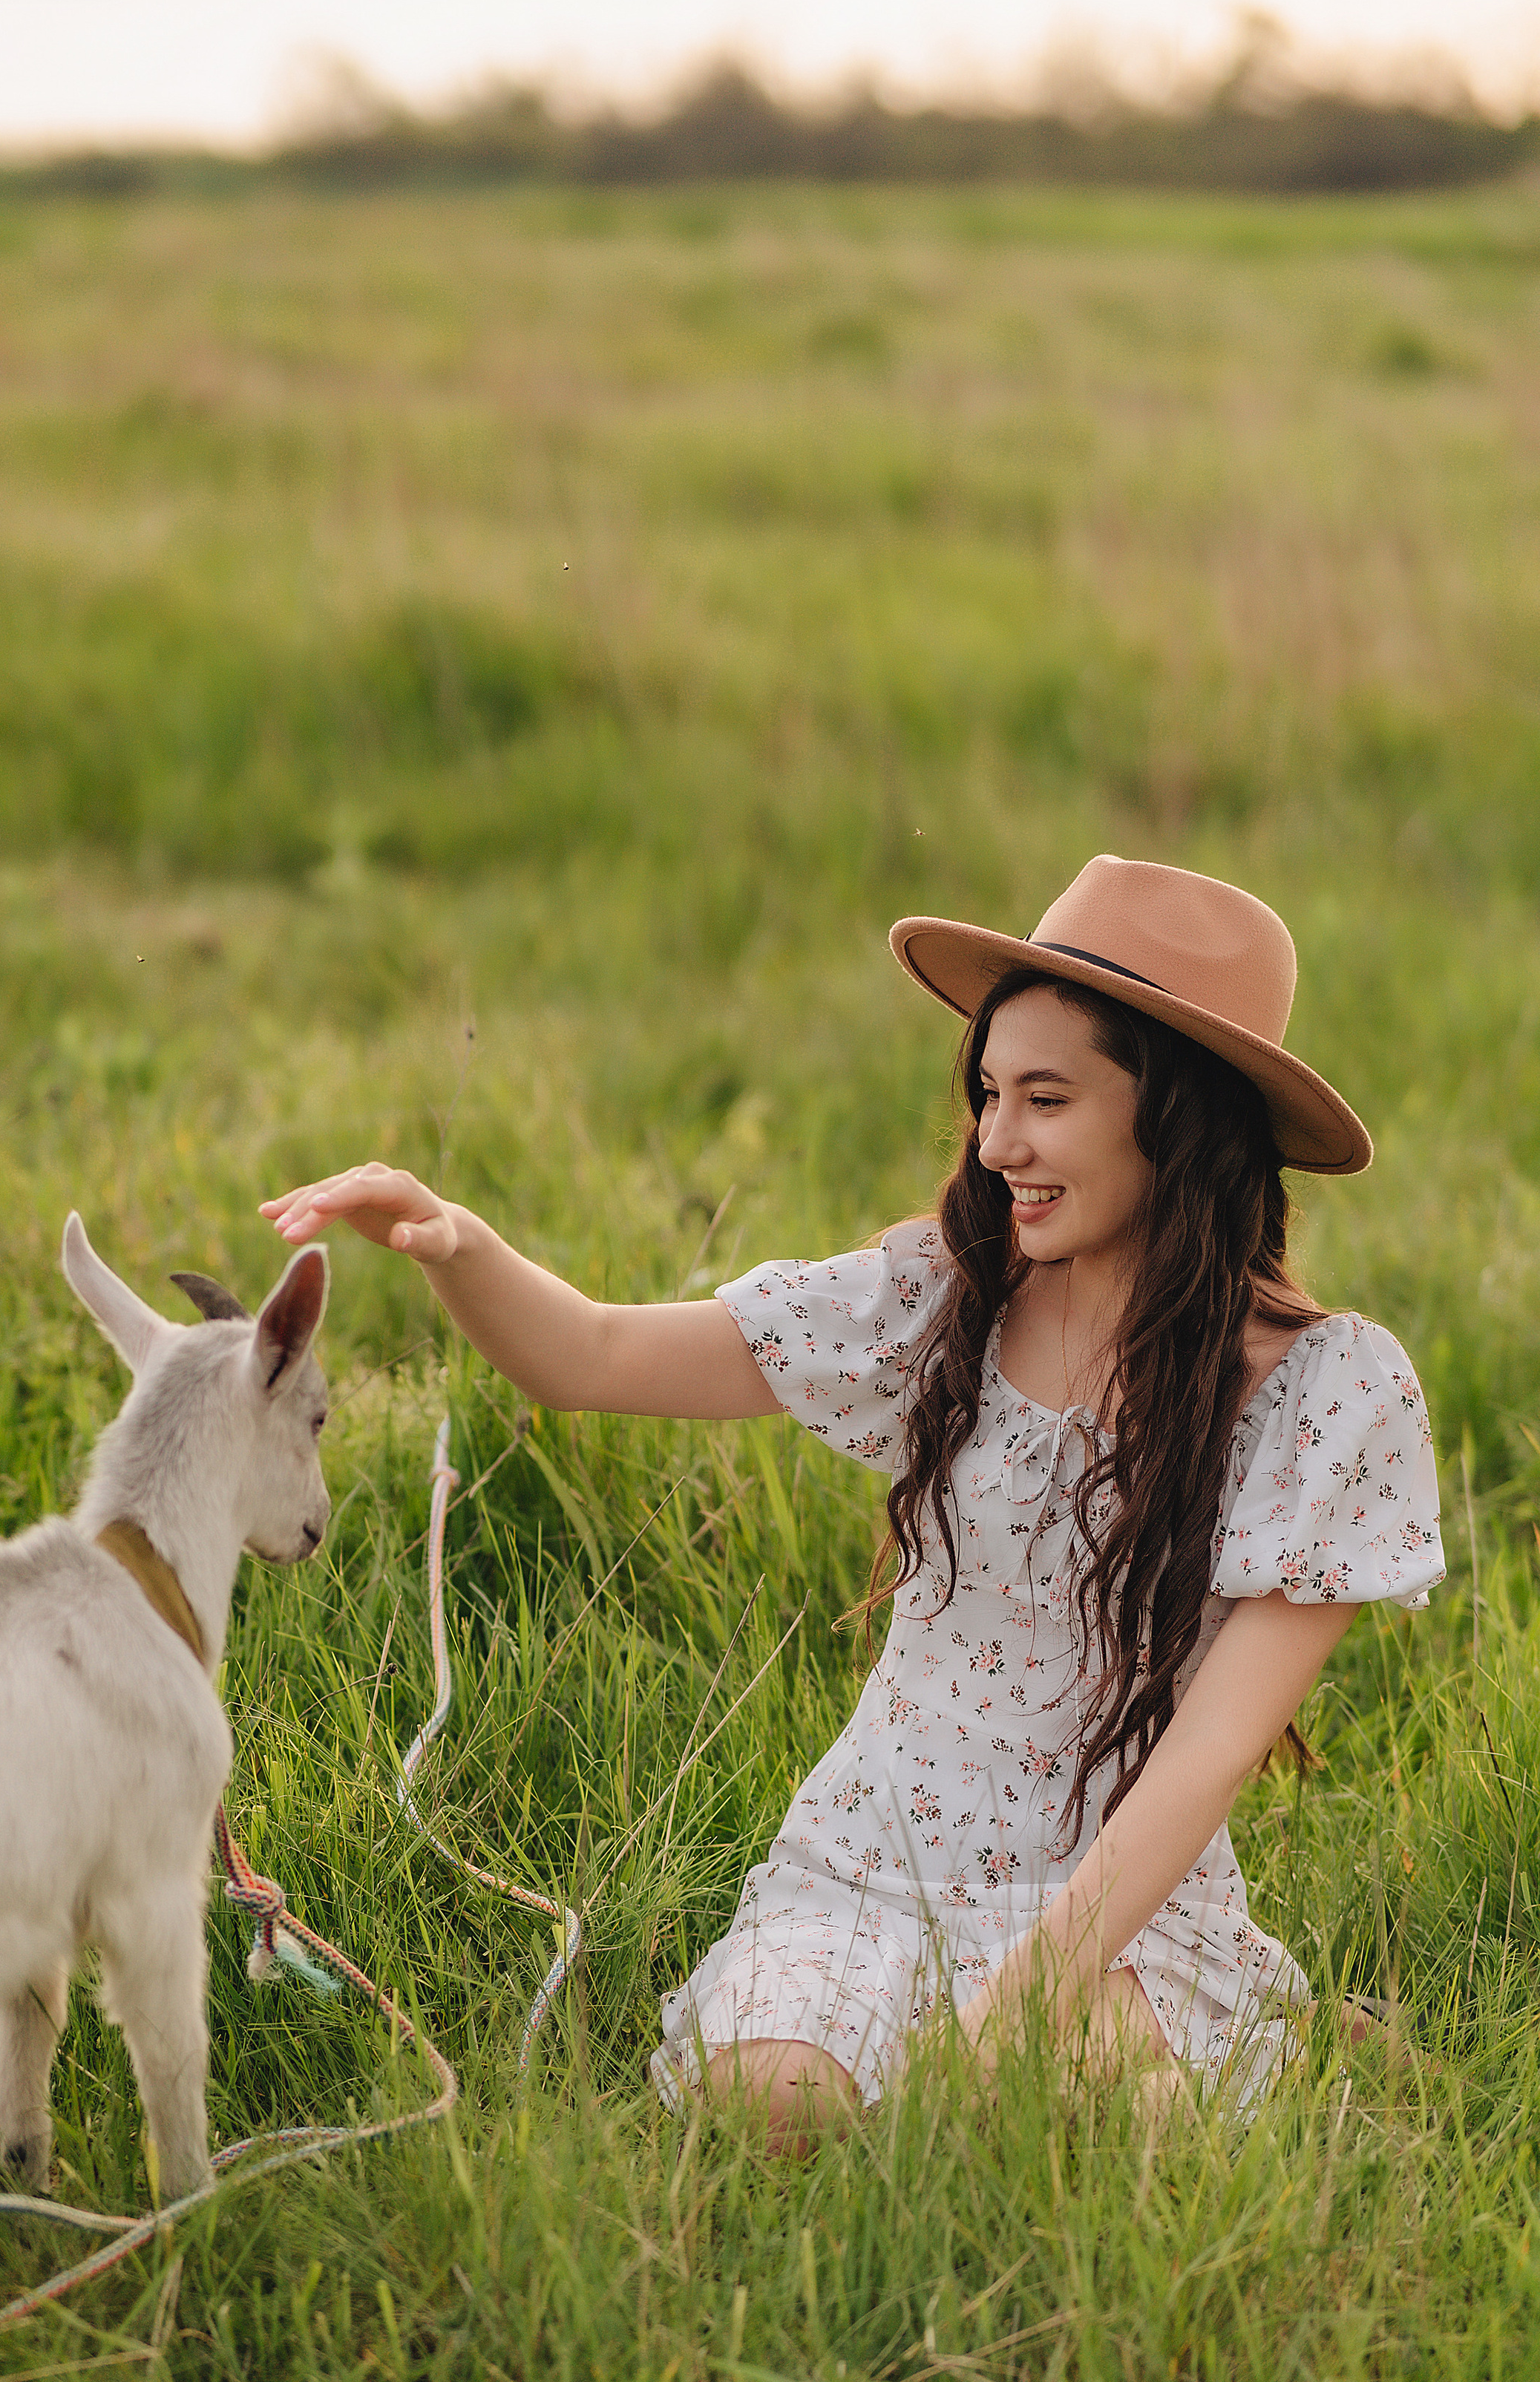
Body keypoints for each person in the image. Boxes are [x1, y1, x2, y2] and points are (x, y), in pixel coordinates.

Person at [264, 857, 1444, 2141]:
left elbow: (1214, 1748)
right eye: (990, 1095)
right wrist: (457, 1242)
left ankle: (1267, 2030)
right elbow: (593, 1354)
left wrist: (1030, 1998)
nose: (997, 1145)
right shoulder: (944, 1298)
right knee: (765, 2109)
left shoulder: (1325, 1389)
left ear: (1180, 1118)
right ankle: (1237, 2038)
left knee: (1056, 2124)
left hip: (1120, 1900)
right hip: (872, 1865)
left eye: (1046, 1100)